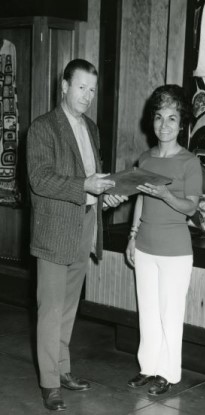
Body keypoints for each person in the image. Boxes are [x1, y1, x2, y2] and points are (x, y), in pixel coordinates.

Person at [26, 59, 128, 411]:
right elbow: (39, 179)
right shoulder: (43, 128)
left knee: (69, 308)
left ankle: (64, 370)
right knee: (51, 310)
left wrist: (105, 193)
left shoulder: (92, 128)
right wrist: (84, 184)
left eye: (92, 90)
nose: (87, 96)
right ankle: (50, 383)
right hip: (54, 230)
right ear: (65, 87)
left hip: (86, 223)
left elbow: (92, 178)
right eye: (81, 87)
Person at [126, 84, 203, 395]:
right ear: (152, 121)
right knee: (147, 310)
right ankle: (148, 367)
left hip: (175, 251)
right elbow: (139, 201)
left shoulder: (189, 162)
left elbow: (192, 207)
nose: (164, 125)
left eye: (172, 118)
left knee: (170, 314)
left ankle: (168, 374)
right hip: (145, 245)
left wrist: (167, 194)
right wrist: (132, 236)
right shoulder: (145, 159)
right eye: (159, 117)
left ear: (181, 123)